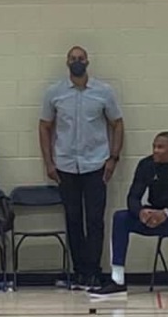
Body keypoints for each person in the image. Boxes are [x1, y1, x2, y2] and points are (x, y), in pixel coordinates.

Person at [39, 46, 123, 290]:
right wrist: (49, 162)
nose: (77, 62)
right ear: (67, 62)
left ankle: (94, 272)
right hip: (65, 165)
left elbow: (117, 123)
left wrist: (113, 158)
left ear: (88, 62)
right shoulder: (54, 92)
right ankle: (79, 273)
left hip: (96, 164)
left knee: (95, 220)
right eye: (72, 59)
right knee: (73, 220)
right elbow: (44, 126)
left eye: (81, 59)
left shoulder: (103, 92)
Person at [90, 131, 168, 302]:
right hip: (153, 216)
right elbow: (133, 197)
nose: (156, 151)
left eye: (161, 147)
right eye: (154, 147)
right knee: (120, 217)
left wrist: (167, 213)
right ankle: (117, 279)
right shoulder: (146, 165)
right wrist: (141, 212)